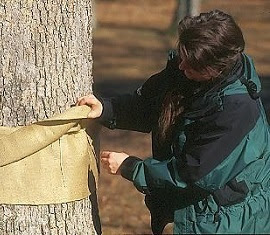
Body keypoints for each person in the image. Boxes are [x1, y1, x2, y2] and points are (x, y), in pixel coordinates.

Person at [77, 9, 270, 234]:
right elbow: (147, 106)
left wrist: (131, 167)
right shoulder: (184, 70)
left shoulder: (237, 110)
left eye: (191, 65)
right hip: (198, 209)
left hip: (229, 221)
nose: (182, 67)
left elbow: (193, 173)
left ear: (215, 69)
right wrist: (107, 109)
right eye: (182, 56)